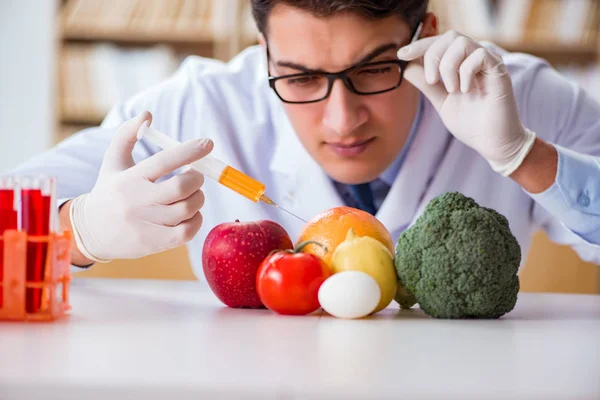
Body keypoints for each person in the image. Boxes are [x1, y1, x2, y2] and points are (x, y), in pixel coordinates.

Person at [8, 0, 600, 275]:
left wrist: (524, 156)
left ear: (428, 33)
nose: (343, 121)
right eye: (299, 77)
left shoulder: (516, 95)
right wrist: (75, 232)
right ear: (263, 52)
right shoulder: (200, 103)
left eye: (374, 69)